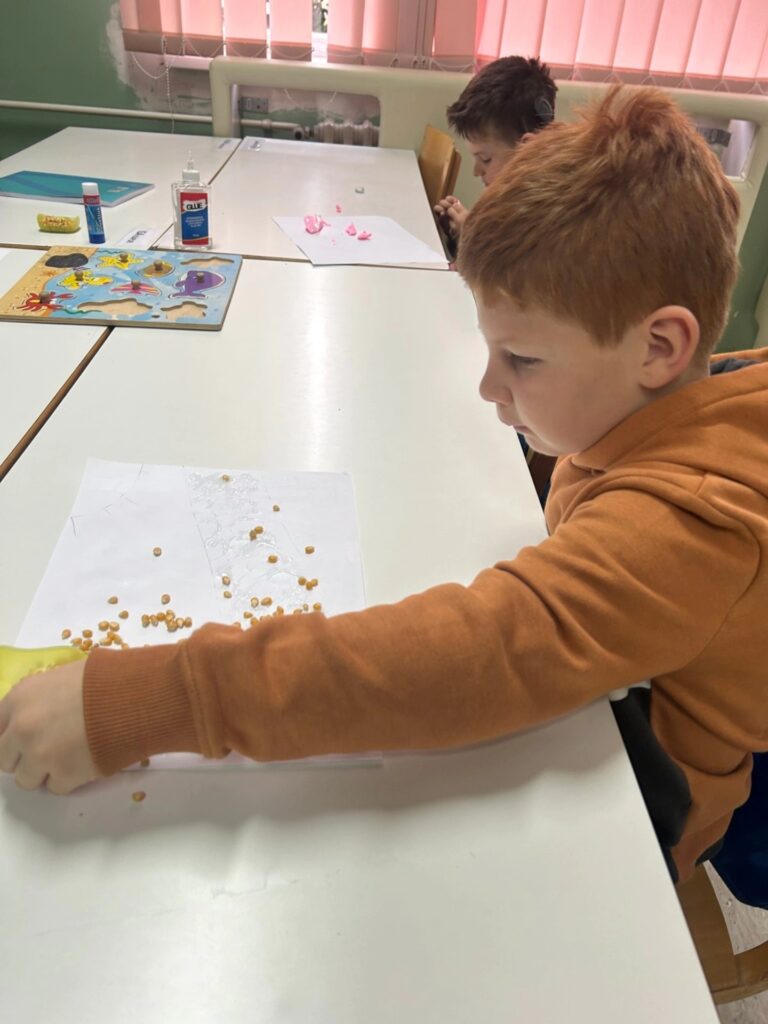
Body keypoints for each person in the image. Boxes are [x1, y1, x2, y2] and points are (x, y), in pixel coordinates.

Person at [2, 87, 767, 887]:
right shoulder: (656, 405)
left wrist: (150, 701)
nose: (488, 388)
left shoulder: (695, 521)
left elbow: (479, 655)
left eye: (522, 360)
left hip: (647, 812)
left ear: (659, 349)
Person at [433, 55, 557, 245]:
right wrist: (458, 234)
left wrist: (473, 237)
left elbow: (510, 259)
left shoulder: (550, 219)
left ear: (528, 151)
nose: (476, 172)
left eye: (485, 159)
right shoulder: (511, 198)